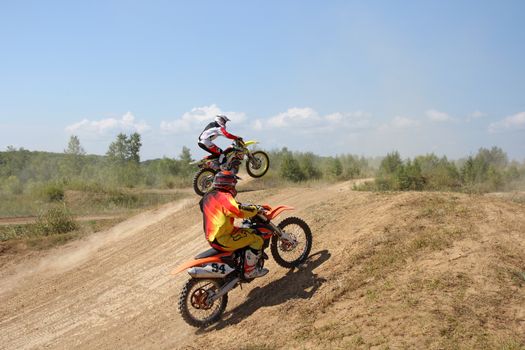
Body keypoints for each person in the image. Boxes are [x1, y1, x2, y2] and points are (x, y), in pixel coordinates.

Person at [200, 170, 268, 279]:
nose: (234, 186)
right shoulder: (224, 196)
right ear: (229, 184)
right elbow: (238, 211)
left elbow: (228, 206)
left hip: (216, 234)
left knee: (251, 231)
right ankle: (249, 271)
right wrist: (255, 209)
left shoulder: (209, 195)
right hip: (223, 238)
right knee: (257, 239)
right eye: (233, 184)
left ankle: (241, 261)